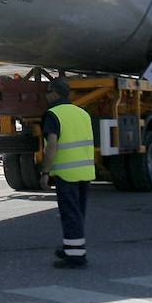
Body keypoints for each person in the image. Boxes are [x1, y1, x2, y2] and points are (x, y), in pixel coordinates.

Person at [38, 78, 95, 269]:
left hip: (66, 173)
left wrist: (45, 171)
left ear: (54, 93)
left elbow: (52, 146)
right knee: (78, 214)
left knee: (70, 214)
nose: (46, 96)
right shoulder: (82, 113)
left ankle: (77, 257)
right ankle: (71, 247)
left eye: (47, 92)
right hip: (85, 171)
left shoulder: (53, 115)